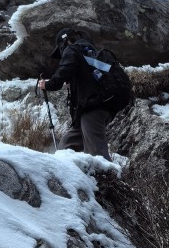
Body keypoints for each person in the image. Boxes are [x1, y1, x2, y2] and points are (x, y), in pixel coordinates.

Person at [37, 28, 114, 159]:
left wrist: (48, 84)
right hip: (99, 106)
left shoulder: (72, 49)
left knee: (97, 152)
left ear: (64, 42)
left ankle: (109, 177)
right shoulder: (89, 53)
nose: (61, 54)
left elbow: (65, 70)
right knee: (66, 145)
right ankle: (70, 174)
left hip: (93, 107)